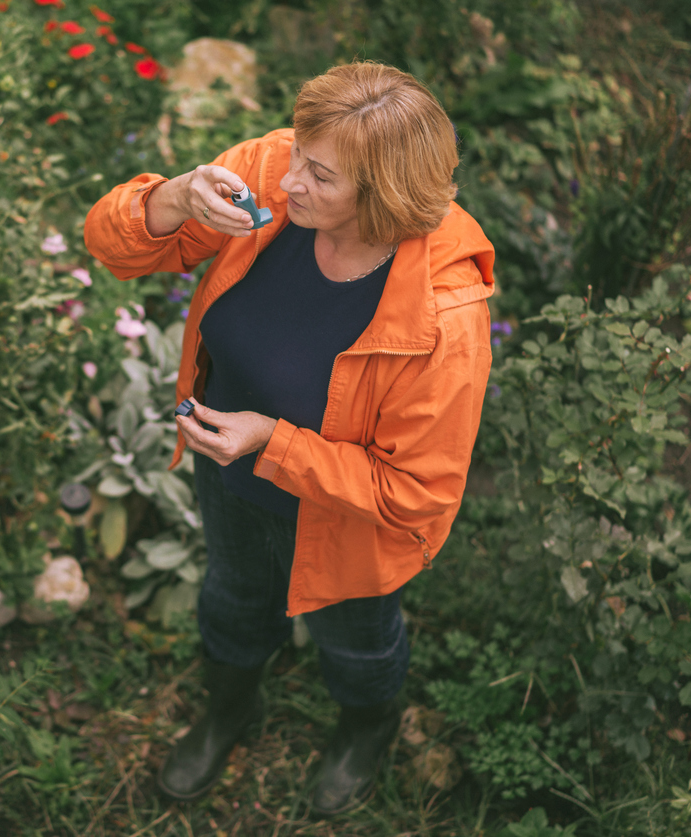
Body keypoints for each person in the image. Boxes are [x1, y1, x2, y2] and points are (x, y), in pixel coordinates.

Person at [84, 61, 495, 814]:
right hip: (229, 471)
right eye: (299, 155)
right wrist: (174, 197)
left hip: (348, 520)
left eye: (321, 176)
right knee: (234, 597)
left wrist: (273, 442)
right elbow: (113, 246)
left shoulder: (444, 317)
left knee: (356, 639)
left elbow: (415, 492)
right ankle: (228, 710)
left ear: (385, 198)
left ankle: (366, 726)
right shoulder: (275, 176)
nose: (290, 180)